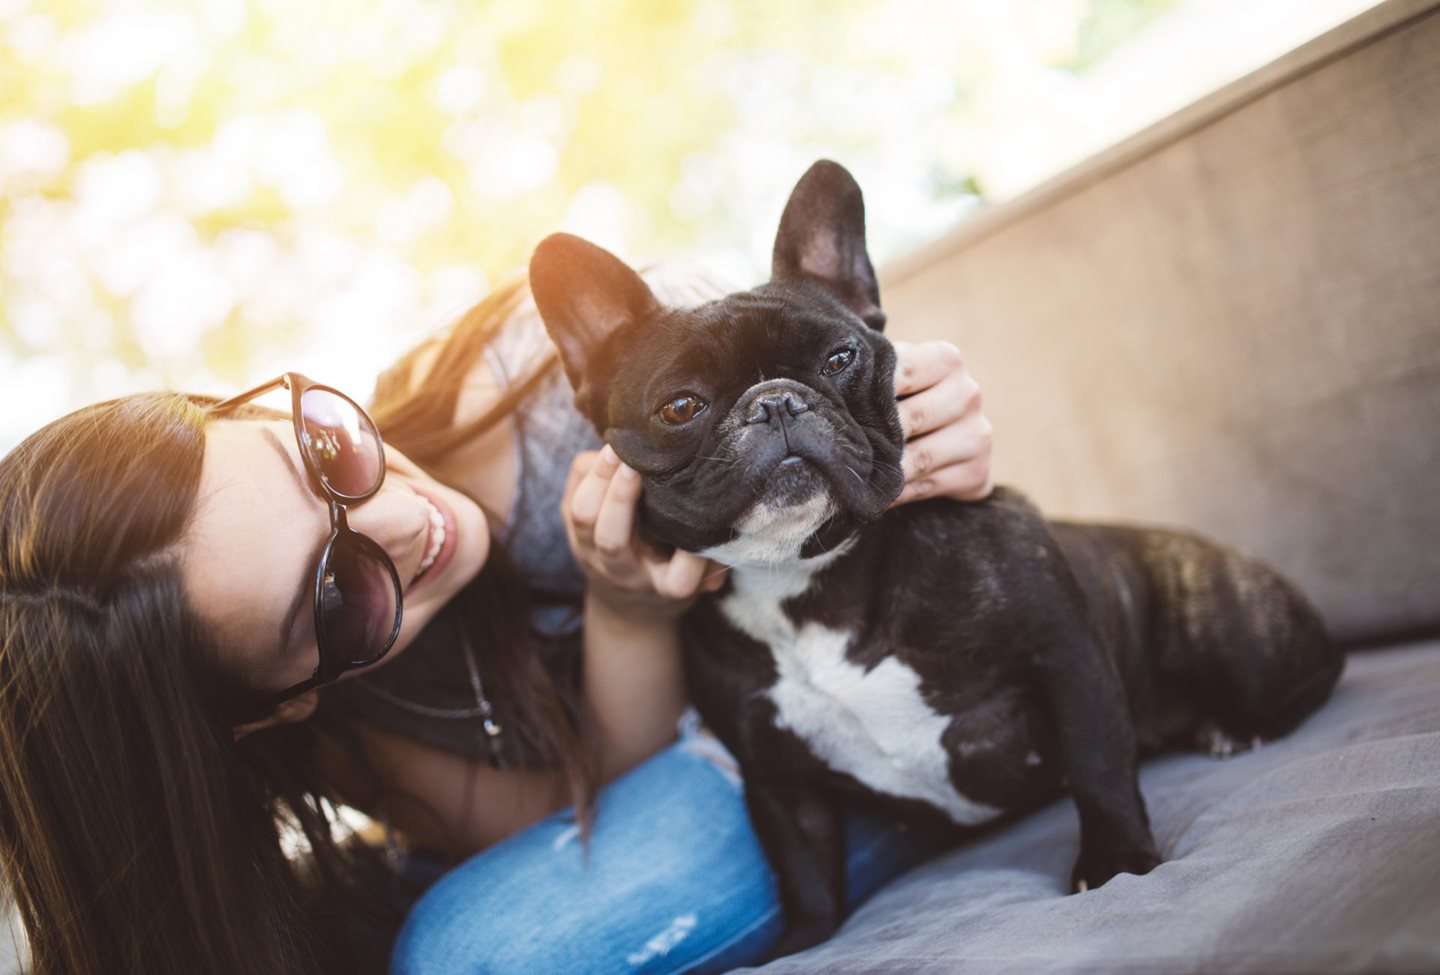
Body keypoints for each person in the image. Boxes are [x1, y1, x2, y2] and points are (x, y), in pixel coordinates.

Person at [0, 267, 993, 975]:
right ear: (273, 709)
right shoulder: (343, 731)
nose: (404, 521)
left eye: (323, 452)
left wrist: (923, 424)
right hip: (720, 750)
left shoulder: (537, 390)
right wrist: (628, 613)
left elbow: (842, 398)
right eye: (339, 597)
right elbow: (574, 816)